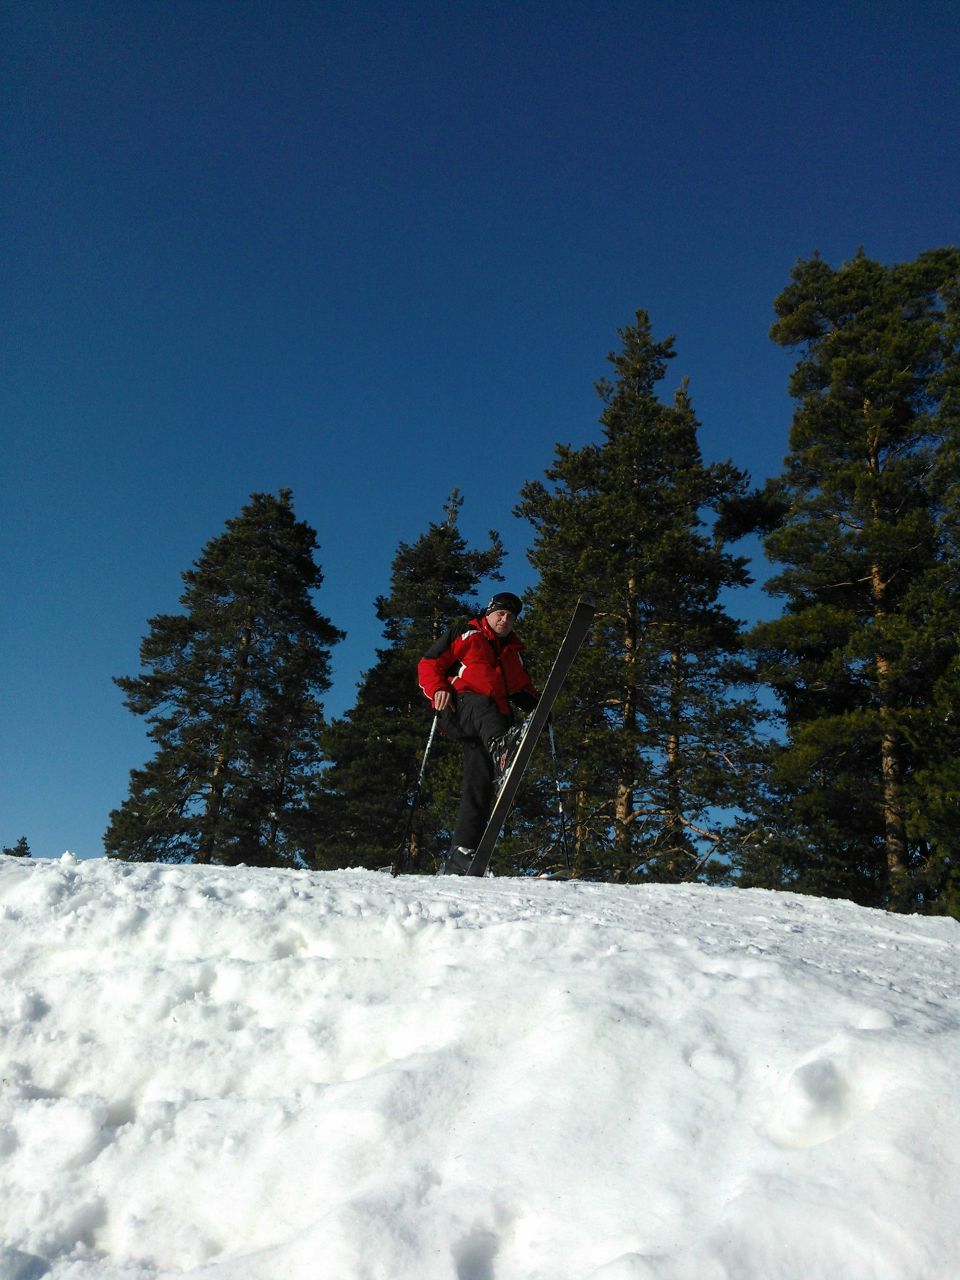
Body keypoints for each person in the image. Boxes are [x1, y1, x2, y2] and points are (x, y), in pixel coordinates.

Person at [417, 591, 539, 873]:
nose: (505, 619)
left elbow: (520, 691)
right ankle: (504, 750)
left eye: (511, 617)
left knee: (479, 784)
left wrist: (541, 708)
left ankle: (460, 852)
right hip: (460, 707)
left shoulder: (511, 655)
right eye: (500, 613)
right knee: (482, 699)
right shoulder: (467, 633)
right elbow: (428, 663)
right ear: (489, 612)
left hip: (488, 725)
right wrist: (437, 689)